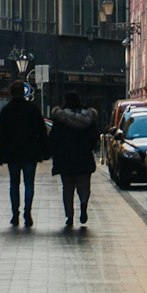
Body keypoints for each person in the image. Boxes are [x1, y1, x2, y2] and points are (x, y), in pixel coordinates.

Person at [0, 80, 49, 227]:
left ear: (11, 93)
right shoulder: (33, 109)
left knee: (14, 183)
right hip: (30, 152)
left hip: (13, 153)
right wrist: (45, 150)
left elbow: (1, 135)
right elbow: (41, 131)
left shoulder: (6, 110)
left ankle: (15, 214)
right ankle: (27, 212)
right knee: (29, 183)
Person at [50, 91, 100, 228]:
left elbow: (54, 138)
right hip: (84, 156)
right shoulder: (88, 117)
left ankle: (69, 216)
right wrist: (89, 147)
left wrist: (53, 152)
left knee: (67, 188)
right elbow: (94, 137)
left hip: (65, 157)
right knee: (84, 186)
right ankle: (83, 205)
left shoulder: (60, 118)